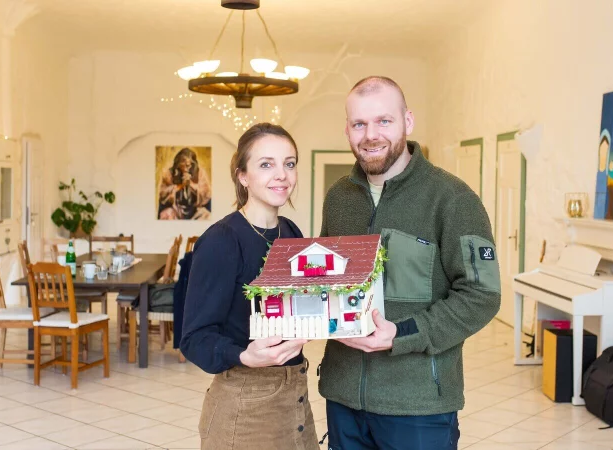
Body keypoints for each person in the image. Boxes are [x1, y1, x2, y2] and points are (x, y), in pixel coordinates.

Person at [318, 76, 502, 450]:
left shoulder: (453, 199)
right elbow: (330, 280)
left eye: (383, 121)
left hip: (418, 405)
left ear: (408, 122)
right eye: (359, 124)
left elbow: (482, 295)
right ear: (348, 130)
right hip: (342, 397)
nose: (371, 134)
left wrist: (401, 334)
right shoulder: (338, 198)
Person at [180, 123, 319, 450]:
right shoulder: (221, 241)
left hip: (295, 395)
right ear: (243, 175)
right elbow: (194, 338)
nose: (282, 174)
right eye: (266, 164)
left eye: (289, 163)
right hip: (245, 403)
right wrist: (244, 354)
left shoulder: (292, 232)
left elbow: (297, 306)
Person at [158, 147, 212, 220]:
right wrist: (180, 186)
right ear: (178, 163)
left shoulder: (200, 173)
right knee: (166, 215)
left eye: (189, 164)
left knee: (207, 215)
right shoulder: (169, 174)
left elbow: (206, 194)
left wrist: (191, 185)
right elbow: (163, 194)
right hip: (175, 211)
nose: (187, 165)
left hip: (195, 211)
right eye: (183, 162)